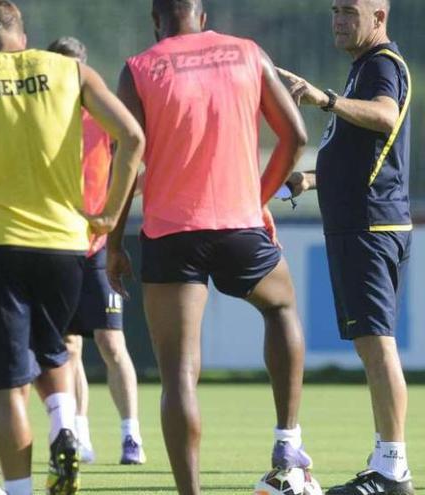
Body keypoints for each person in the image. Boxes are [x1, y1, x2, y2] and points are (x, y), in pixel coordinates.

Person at [0, 2, 144, 494]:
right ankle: (64, 426)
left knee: (8, 385)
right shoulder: (69, 70)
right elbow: (133, 136)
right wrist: (108, 213)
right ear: (23, 34)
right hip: (65, 245)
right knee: (52, 350)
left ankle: (20, 490)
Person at [107, 1, 313, 494]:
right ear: (201, 16)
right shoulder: (247, 52)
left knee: (178, 372)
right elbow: (296, 136)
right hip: (240, 225)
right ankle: (287, 438)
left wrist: (111, 244)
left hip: (172, 233)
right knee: (281, 307)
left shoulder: (139, 69)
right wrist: (257, 197)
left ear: (157, 20)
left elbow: (125, 164)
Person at [276, 0, 414, 493]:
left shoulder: (381, 65)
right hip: (362, 225)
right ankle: (387, 463)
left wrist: (325, 99)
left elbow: (385, 115)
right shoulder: (364, 67)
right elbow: (362, 155)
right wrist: (309, 180)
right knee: (371, 345)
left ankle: (393, 469)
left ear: (378, 17)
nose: (338, 20)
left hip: (370, 228)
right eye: (335, 10)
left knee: (378, 347)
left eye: (349, 11)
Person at [46, 36, 145, 467]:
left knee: (111, 343)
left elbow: (134, 164)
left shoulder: (103, 117)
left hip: (96, 245)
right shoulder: (41, 119)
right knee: (68, 347)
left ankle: (131, 435)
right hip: (57, 243)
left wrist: (110, 211)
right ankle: (79, 433)